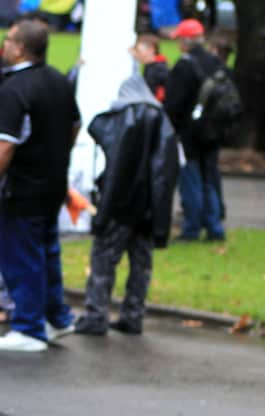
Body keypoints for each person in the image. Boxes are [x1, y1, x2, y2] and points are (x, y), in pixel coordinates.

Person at [0, 20, 80, 353]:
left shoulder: (14, 87)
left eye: (7, 40)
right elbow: (75, 125)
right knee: (47, 252)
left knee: (21, 257)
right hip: (52, 183)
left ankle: (29, 327)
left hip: (21, 187)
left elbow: (5, 144)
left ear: (20, 47)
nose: (3, 46)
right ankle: (57, 318)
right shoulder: (58, 81)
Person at [75, 75, 179, 336]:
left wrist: (105, 209)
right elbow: (166, 170)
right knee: (141, 263)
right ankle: (133, 315)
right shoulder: (162, 120)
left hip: (120, 204)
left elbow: (113, 158)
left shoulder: (124, 118)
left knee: (103, 259)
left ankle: (96, 314)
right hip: (148, 208)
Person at [164, 18, 225, 243]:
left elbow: (173, 104)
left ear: (185, 40)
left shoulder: (184, 65)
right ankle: (214, 226)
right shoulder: (214, 62)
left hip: (189, 133)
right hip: (213, 131)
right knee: (210, 178)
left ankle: (192, 227)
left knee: (191, 180)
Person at [131, 32, 168, 103]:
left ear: (151, 50)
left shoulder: (157, 70)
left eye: (138, 51)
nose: (136, 55)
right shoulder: (151, 66)